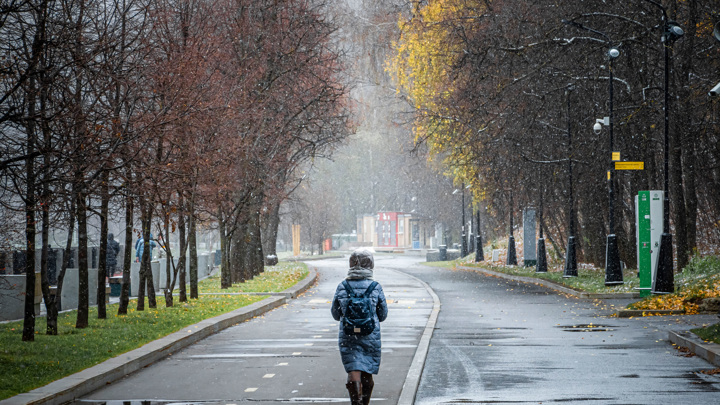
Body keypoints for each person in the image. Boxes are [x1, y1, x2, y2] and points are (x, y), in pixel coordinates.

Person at [331, 249, 388, 405]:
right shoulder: (375, 287)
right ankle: (365, 402)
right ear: (370, 265)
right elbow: (383, 315)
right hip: (370, 335)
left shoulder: (342, 286)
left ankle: (356, 402)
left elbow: (335, 314)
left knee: (354, 368)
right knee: (367, 371)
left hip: (348, 335)